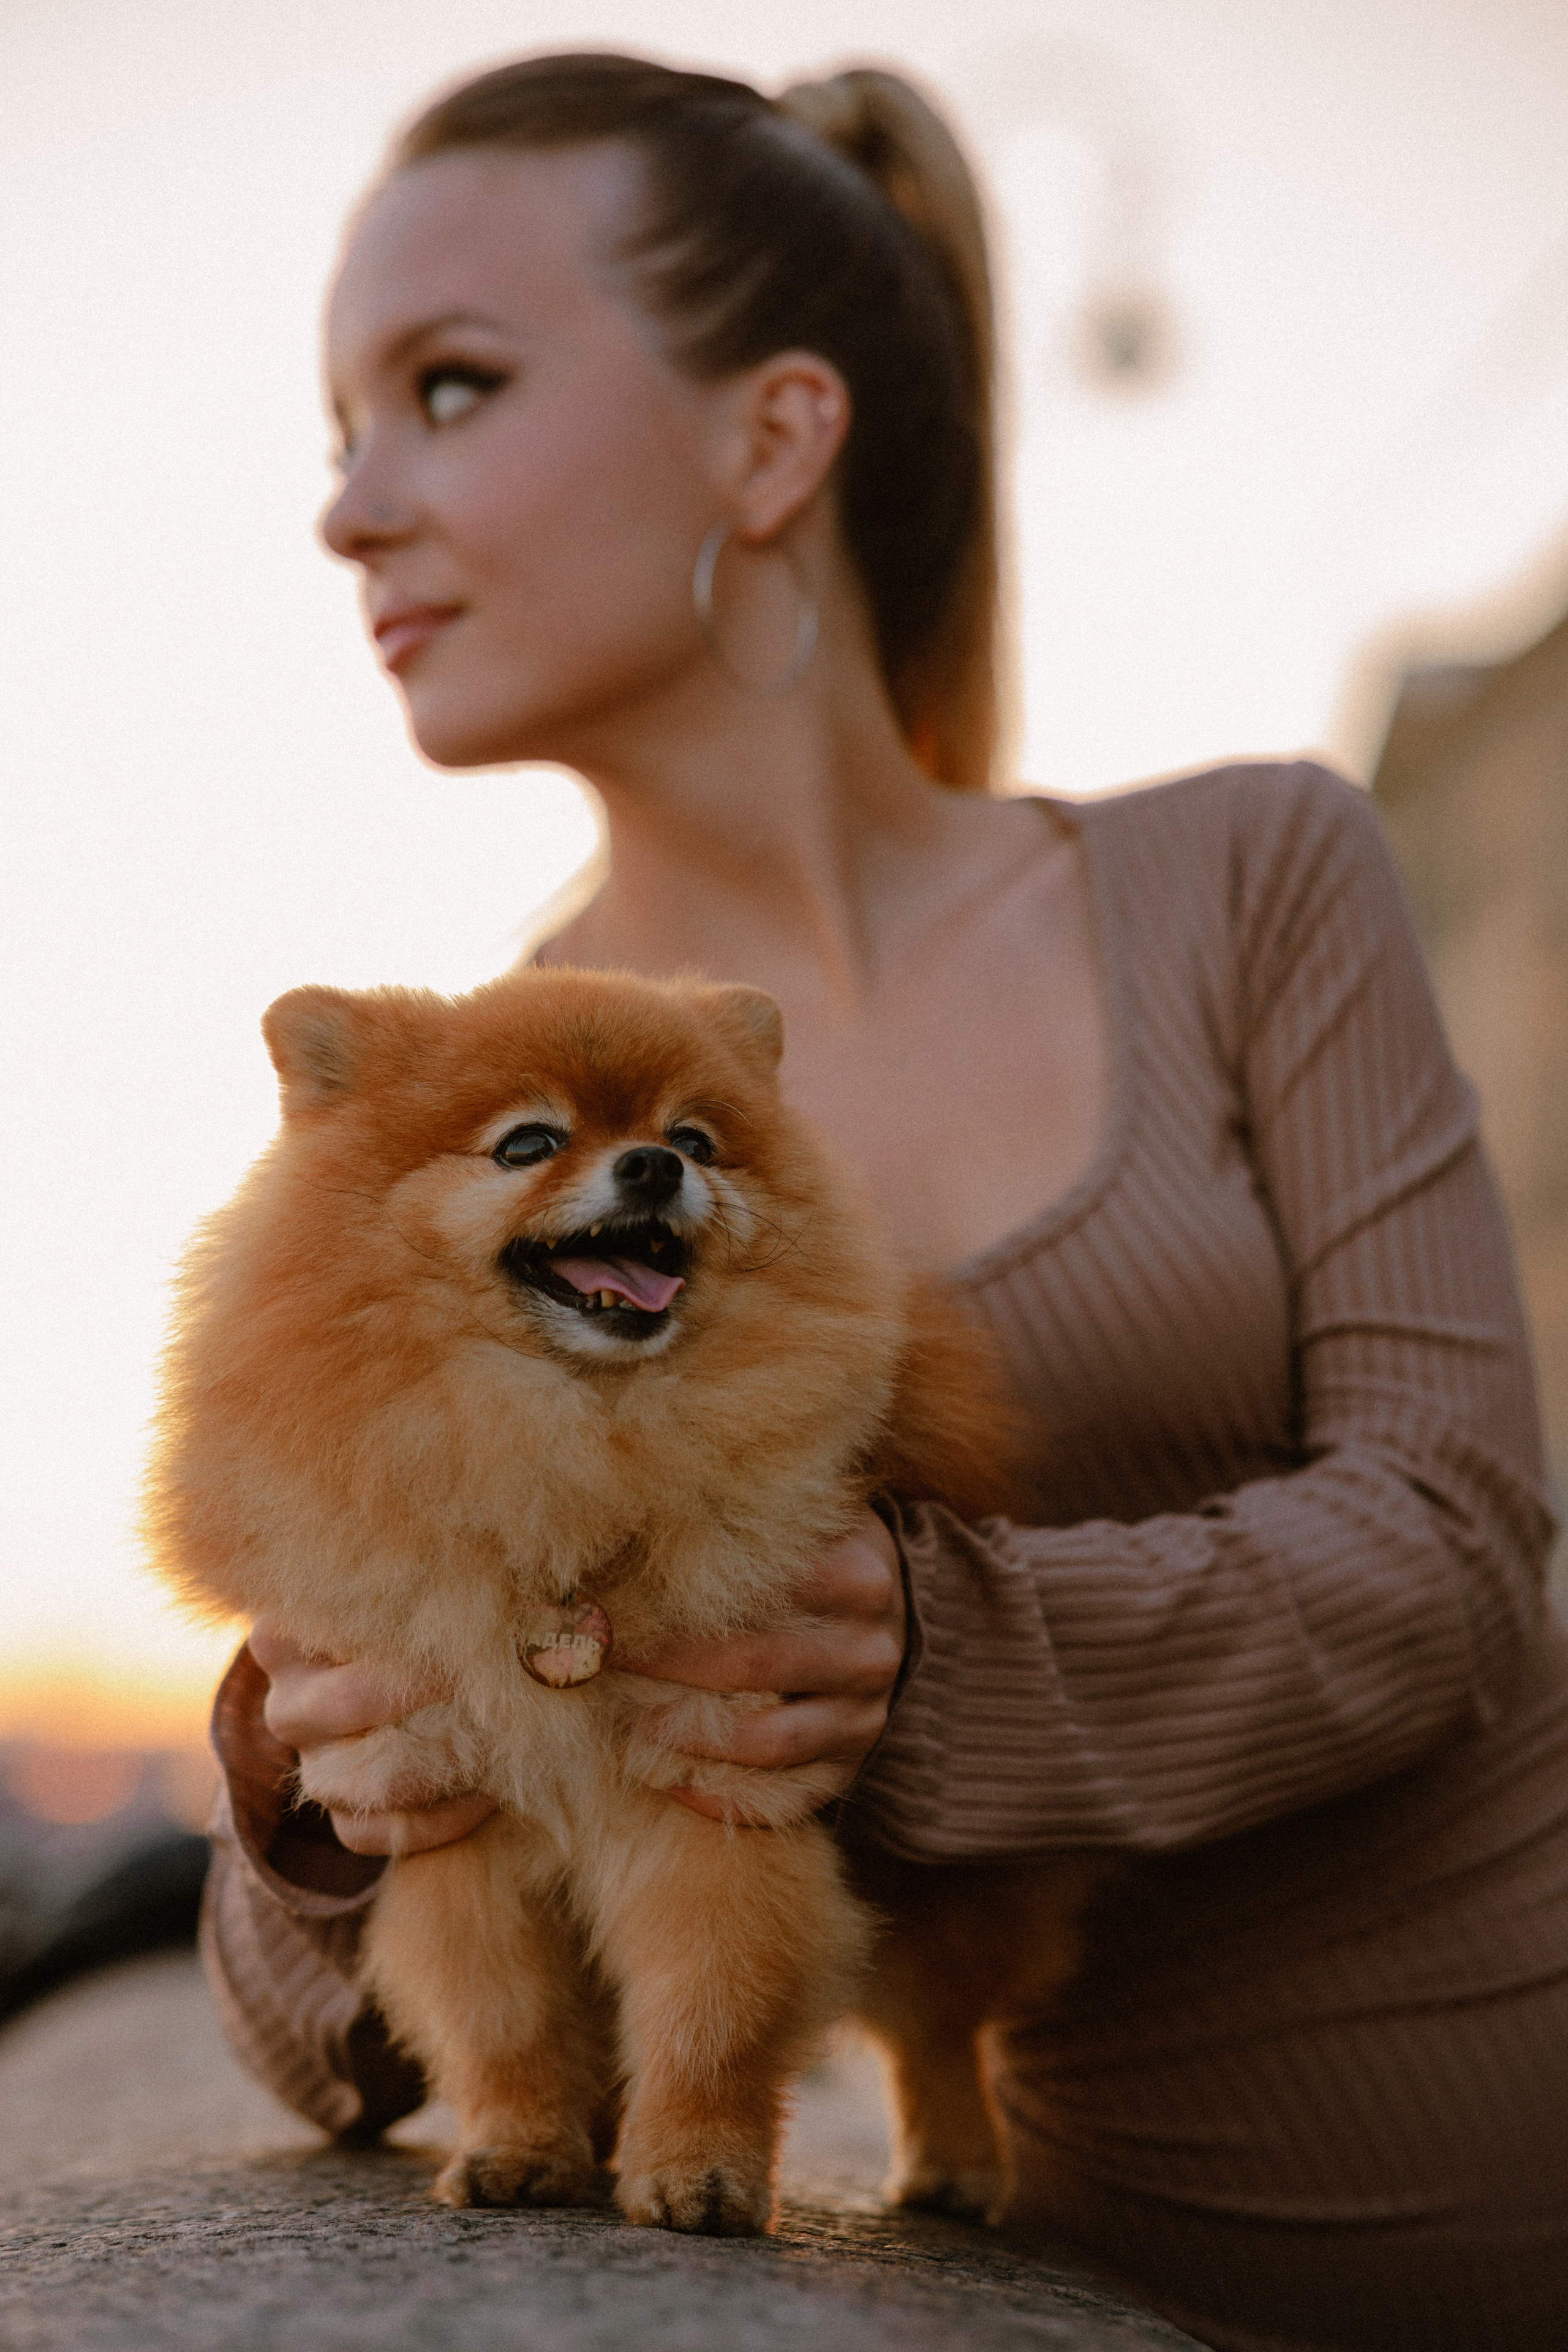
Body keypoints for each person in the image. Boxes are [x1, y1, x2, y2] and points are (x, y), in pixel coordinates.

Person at [200, 52, 1567, 2351]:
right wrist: (307, 1773)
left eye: (447, 389)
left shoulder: (1244, 874)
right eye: (337, 432)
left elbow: (1459, 1539)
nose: (352, 511)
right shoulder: (446, 1110)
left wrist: (932, 1662)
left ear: (774, 436)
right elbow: (314, 2038)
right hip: (1098, 2275)